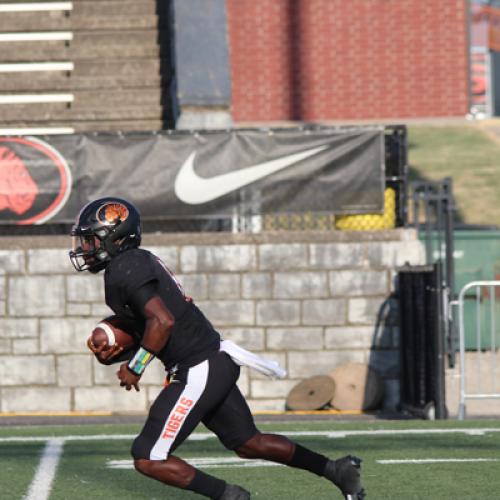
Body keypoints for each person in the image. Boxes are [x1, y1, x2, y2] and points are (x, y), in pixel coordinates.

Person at [69, 196, 366, 500]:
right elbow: (151, 321)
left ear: (116, 238)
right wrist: (114, 335)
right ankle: (337, 471)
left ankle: (230, 497)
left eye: (91, 240)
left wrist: (136, 365)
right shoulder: (134, 261)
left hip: (197, 366)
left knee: (148, 456)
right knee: (248, 442)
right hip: (211, 359)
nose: (85, 248)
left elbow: (163, 321)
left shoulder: (125, 266)